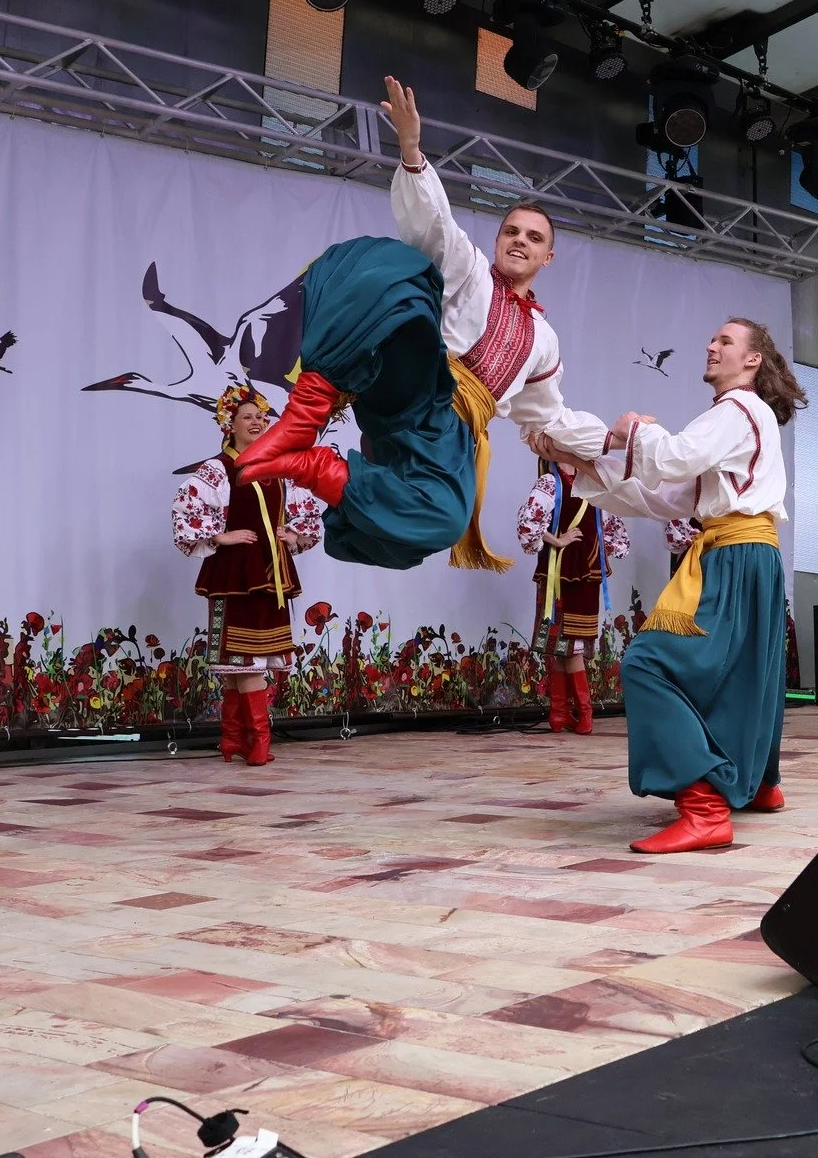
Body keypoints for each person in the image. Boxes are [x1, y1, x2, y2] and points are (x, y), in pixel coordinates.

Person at [234, 77, 605, 569]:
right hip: (420, 385)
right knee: (393, 266)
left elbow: (549, 414)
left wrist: (617, 440)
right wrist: (410, 149)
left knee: (442, 523)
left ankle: (314, 465)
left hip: (453, 435)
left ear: (548, 257)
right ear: (497, 240)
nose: (519, 241)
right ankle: (305, 416)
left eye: (533, 238)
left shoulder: (545, 340)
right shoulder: (471, 270)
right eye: (511, 231)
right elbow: (434, 226)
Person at [534, 318, 803, 854]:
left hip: (735, 555)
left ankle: (705, 808)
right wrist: (587, 462)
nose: (712, 345)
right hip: (750, 554)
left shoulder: (739, 409)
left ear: (753, 360)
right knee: (744, 672)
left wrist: (631, 428)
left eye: (725, 341)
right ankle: (757, 785)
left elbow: (673, 457)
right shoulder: (740, 418)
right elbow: (666, 498)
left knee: (649, 664)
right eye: (713, 338)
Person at [171, 385, 324, 766]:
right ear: (229, 425)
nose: (258, 422)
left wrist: (295, 534)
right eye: (248, 417)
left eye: (261, 417)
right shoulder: (218, 468)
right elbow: (185, 511)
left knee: (246, 658)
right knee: (239, 658)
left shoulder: (279, 465)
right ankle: (255, 743)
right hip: (234, 573)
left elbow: (304, 511)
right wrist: (220, 535)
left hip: (270, 573)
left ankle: (234, 740)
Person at [517, 460, 629, 733]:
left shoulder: (592, 482)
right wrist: (558, 540)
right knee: (562, 645)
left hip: (585, 575)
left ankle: (566, 714)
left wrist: (595, 549)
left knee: (571, 645)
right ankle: (572, 714)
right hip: (558, 575)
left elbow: (613, 529)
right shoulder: (550, 483)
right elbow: (527, 523)